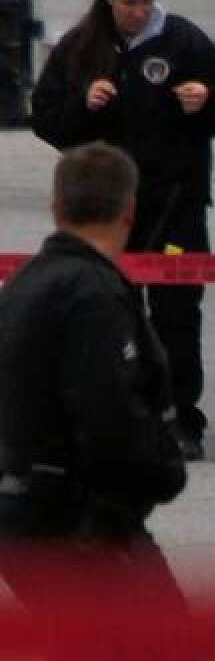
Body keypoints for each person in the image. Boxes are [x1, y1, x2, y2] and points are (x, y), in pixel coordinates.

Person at [31, 0, 215, 460]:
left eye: (148, 0)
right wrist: (83, 107)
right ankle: (109, 421)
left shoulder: (184, 40)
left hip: (177, 202)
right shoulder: (80, 49)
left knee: (176, 315)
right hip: (105, 216)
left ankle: (180, 423)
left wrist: (206, 103)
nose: (141, 11)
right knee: (105, 315)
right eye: (130, 1)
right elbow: (47, 122)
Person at [0, 142, 189, 643]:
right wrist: (162, 472)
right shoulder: (92, 295)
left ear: (56, 207)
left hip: (28, 515)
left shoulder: (25, 285)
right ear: (130, 210)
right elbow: (110, 416)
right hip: (78, 522)